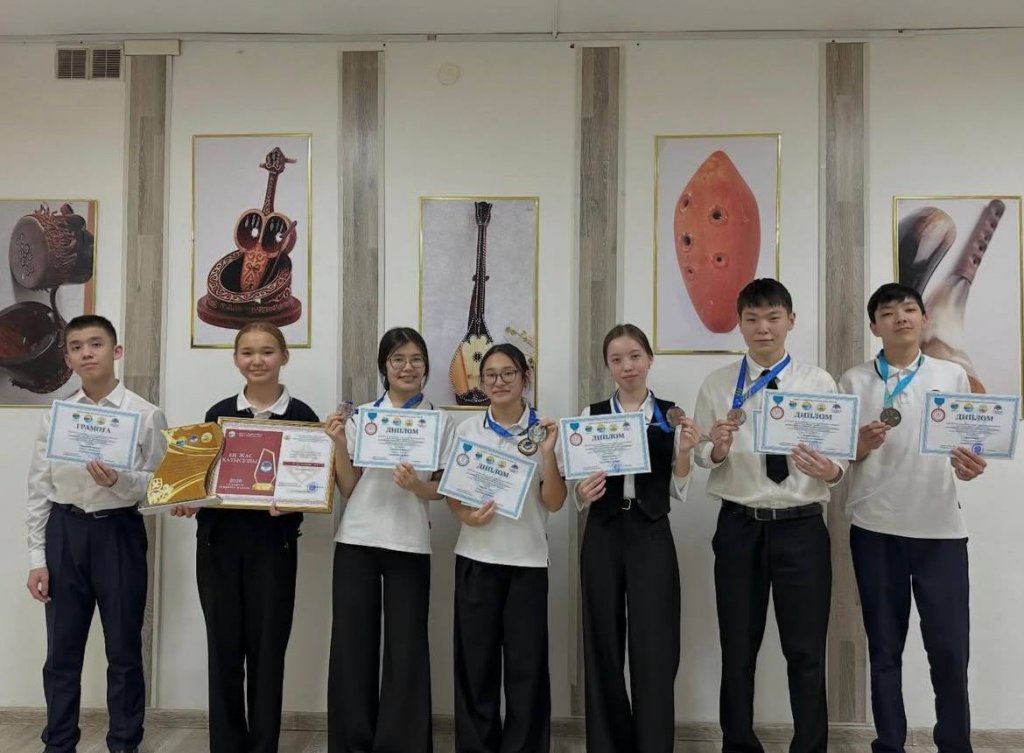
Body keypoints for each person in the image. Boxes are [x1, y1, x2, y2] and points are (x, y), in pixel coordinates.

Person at [693, 279, 846, 753]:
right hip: (740, 526)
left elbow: (839, 459)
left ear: (790, 321)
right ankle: (738, 744)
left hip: (802, 527)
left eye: (773, 317)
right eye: (753, 319)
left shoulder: (818, 382)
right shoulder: (718, 384)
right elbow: (701, 455)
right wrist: (717, 449)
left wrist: (829, 470)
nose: (763, 328)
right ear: (739, 325)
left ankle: (810, 747)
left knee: (806, 651)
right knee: (738, 648)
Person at [838, 283, 986, 753]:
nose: (900, 317)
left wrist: (970, 466)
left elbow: (968, 449)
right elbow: (839, 457)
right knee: (884, 650)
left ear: (923, 318)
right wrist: (858, 446)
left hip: (940, 531)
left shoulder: (952, 375)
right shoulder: (853, 382)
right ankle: (890, 744)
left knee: (949, 652)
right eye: (888, 312)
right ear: (874, 326)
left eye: (908, 309)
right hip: (874, 530)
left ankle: (954, 744)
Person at [173, 321, 319, 753]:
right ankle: (227, 745)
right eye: (248, 352)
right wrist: (187, 499)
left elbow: (315, 486)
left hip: (274, 548)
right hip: (218, 546)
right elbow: (201, 480)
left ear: (284, 357)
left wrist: (298, 500)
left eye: (267, 351)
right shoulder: (217, 415)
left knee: (268, 651)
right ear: (236, 359)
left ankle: (263, 745)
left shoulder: (303, 417)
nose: (258, 360)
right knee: (223, 651)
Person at [25, 314, 167, 753]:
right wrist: (37, 559)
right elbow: (39, 488)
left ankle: (124, 742)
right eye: (76, 347)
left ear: (116, 351)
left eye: (96, 344)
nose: (87, 353)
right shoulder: (57, 416)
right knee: (61, 651)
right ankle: (59, 742)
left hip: (118, 534)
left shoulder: (145, 414)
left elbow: (161, 485)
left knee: (123, 649)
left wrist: (119, 482)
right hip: (64, 533)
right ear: (68, 359)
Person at [325, 327, 455, 753]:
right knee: (353, 646)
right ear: (384, 366)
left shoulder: (440, 421)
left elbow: (441, 490)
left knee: (406, 649)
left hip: (409, 542)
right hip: (358, 539)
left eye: (416, 359)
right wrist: (338, 443)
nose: (407, 367)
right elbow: (349, 487)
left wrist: (417, 486)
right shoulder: (363, 417)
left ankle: (402, 744)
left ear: (426, 366)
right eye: (398, 359)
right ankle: (352, 743)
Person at [574, 323, 699, 753]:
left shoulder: (671, 415)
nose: (627, 366)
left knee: (655, 645)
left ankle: (653, 744)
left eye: (634, 356)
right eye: (616, 359)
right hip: (604, 531)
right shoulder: (591, 415)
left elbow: (678, 486)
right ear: (608, 366)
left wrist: (685, 452)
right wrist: (582, 491)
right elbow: (577, 487)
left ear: (649, 360)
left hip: (651, 531)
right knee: (602, 643)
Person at [446, 343, 566, 753]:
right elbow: (453, 495)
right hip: (476, 559)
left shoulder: (545, 431)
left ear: (524, 378)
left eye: (508, 373)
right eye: (490, 375)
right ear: (481, 383)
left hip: (527, 561)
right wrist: (466, 517)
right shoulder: (467, 430)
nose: (499, 381)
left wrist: (548, 456)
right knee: (475, 666)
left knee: (525, 668)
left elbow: (554, 502)